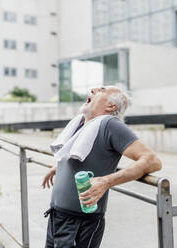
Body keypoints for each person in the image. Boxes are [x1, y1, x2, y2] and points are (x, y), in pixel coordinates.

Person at [42, 86, 162, 248]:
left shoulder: (110, 125)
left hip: (80, 224)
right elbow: (80, 154)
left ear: (111, 107)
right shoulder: (81, 124)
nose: (92, 89)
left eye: (101, 90)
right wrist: (59, 166)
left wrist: (107, 181)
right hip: (57, 216)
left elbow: (152, 160)